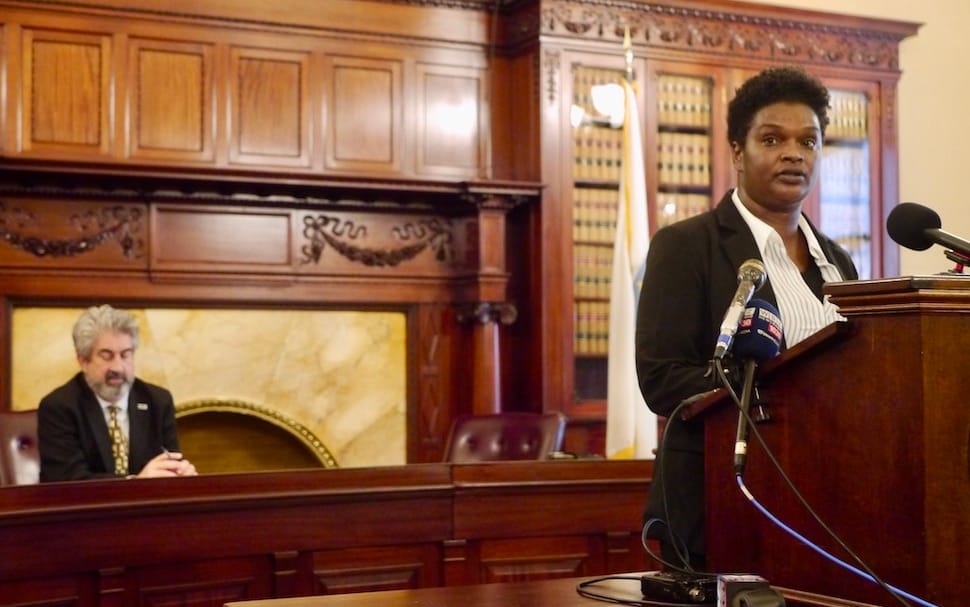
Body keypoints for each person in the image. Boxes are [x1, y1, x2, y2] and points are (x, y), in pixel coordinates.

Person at [634, 66, 858, 570]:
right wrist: (768, 385)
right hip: (721, 497)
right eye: (773, 139)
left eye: (809, 141)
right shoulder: (688, 246)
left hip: (826, 498)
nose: (794, 153)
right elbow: (662, 379)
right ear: (737, 150)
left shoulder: (838, 261)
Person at [38, 304, 197, 481]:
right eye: (106, 356)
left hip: (147, 507)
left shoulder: (157, 401)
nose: (118, 367)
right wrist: (134, 484)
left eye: (125, 355)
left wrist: (180, 474)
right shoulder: (59, 407)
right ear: (83, 360)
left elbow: (169, 461)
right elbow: (69, 481)